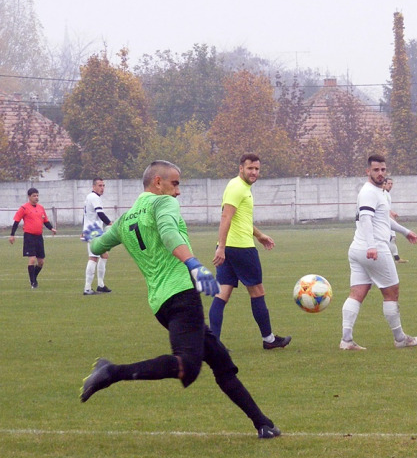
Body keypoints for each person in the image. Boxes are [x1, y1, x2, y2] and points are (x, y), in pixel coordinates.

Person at [79, 160, 281, 439]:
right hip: (181, 295)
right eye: (175, 184)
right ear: (158, 182)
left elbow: (99, 245)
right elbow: (169, 233)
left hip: (160, 304)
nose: (178, 192)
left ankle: (263, 423)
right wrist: (195, 265)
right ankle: (111, 372)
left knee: (221, 362)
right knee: (187, 367)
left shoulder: (126, 219)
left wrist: (93, 234)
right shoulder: (162, 204)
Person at [340, 154, 417, 351]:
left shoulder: (379, 192)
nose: (380, 173)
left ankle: (346, 340)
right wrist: (371, 246)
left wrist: (405, 231)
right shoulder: (369, 192)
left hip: (357, 249)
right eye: (376, 170)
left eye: (383, 170)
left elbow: (384, 219)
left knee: (357, 293)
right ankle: (400, 338)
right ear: (368, 171)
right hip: (373, 249)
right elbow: (367, 219)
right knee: (391, 292)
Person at [210, 153, 290, 350]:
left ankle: (212, 344)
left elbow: (240, 220)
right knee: (257, 292)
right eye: (250, 168)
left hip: (230, 247)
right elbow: (226, 217)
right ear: (241, 168)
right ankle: (269, 339)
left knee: (222, 294)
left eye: (257, 169)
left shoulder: (238, 186)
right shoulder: (238, 188)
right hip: (240, 249)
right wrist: (221, 246)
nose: (254, 172)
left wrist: (259, 235)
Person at [8, 187, 57, 288]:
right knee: (32, 260)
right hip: (29, 236)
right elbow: (16, 221)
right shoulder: (24, 208)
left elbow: (45, 221)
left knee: (41, 262)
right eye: (34, 196)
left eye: (37, 195)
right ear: (29, 197)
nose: (36, 197)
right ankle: (33, 282)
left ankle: (33, 277)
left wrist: (51, 228)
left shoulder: (41, 208)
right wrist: (12, 234)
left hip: (39, 236)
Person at [83, 177, 113, 295]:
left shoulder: (91, 197)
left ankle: (100, 285)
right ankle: (87, 288)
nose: (102, 188)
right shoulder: (94, 197)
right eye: (100, 185)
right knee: (93, 257)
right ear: (93, 186)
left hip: (93, 230)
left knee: (104, 255)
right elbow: (100, 213)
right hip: (92, 231)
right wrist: (110, 223)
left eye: (103, 185)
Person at [383, 177, 408, 264]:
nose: (390, 185)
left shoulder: (387, 194)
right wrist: (393, 220)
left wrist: (392, 212)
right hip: (386, 220)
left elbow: (387, 208)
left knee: (391, 239)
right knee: (389, 238)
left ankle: (396, 258)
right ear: (384, 184)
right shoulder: (384, 194)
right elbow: (385, 209)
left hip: (387, 219)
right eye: (388, 183)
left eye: (391, 184)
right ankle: (387, 258)